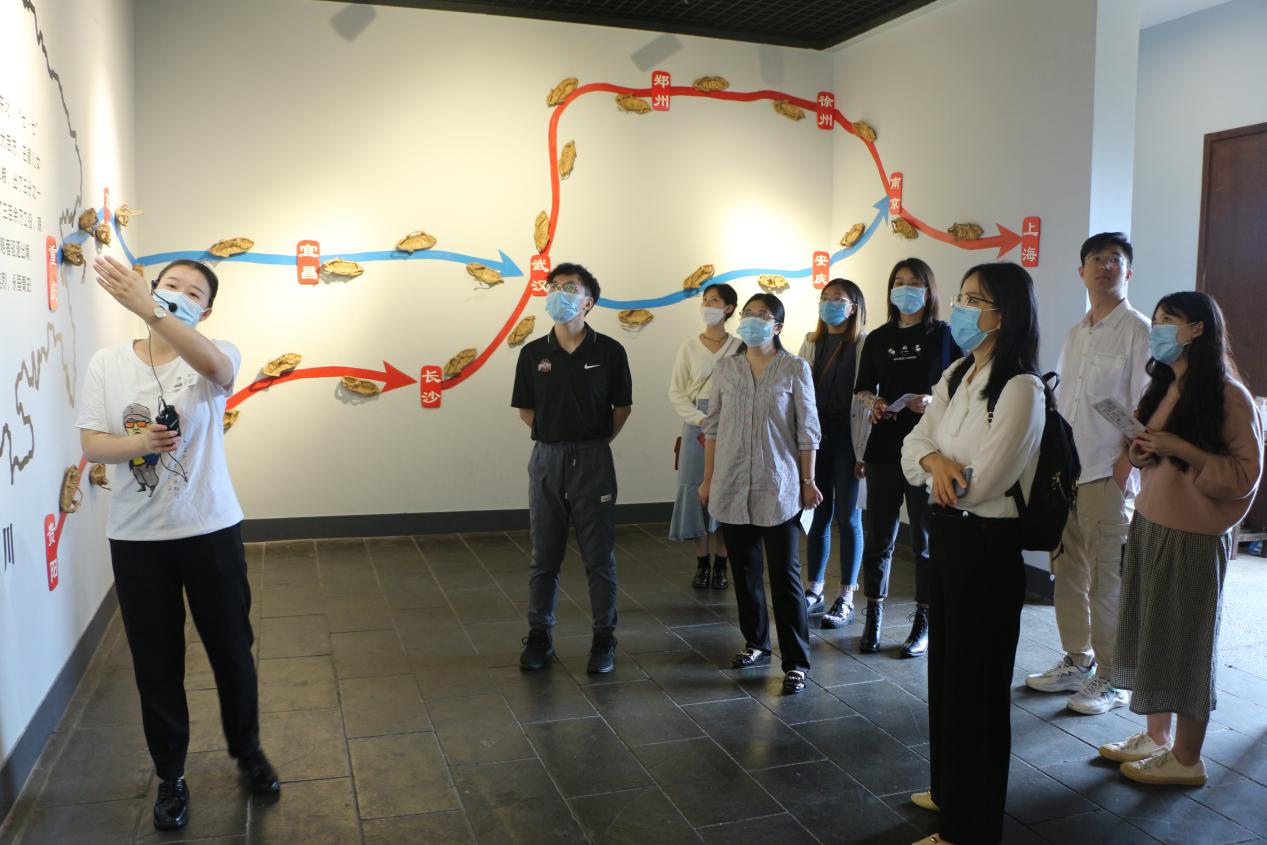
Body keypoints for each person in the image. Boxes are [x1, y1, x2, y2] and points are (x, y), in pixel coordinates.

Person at [77, 256, 280, 832]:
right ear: (151, 286)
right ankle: (171, 776)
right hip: (137, 538)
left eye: (194, 294)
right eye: (170, 286)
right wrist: (140, 444)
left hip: (210, 527)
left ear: (206, 312)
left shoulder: (215, 352)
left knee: (231, 649)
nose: (179, 295)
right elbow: (93, 444)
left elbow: (217, 368)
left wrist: (152, 310)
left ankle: (249, 753)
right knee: (156, 662)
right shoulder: (107, 364)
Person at [901, 262, 1044, 845]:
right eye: (959, 297)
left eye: (973, 300)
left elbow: (986, 482)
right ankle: (949, 791)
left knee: (978, 689)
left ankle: (971, 827)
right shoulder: (958, 372)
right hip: (949, 537)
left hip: (987, 546)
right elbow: (913, 446)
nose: (960, 309)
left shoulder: (1022, 387)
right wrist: (936, 461)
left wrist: (941, 471)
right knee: (947, 675)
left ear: (1003, 315)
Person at [1099, 291, 1262, 786]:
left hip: (1193, 538)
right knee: (1154, 636)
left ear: (1197, 330)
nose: (1158, 330)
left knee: (1188, 646)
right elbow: (1141, 453)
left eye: (1168, 320)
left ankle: (1188, 760)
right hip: (1152, 526)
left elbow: (1245, 475)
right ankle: (1157, 737)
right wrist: (1142, 453)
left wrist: (1180, 448)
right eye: (1156, 320)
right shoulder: (1165, 385)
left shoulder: (1228, 396)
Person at [1025, 233, 1150, 714]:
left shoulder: (1137, 330)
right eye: (1096, 259)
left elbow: (1145, 406)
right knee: (1067, 574)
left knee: (1107, 581)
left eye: (1115, 259)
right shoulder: (1077, 332)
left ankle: (1114, 678)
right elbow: (1062, 401)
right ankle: (1078, 660)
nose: (1105, 266)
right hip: (1068, 475)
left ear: (1128, 272)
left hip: (1107, 476)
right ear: (1081, 271)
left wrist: (1124, 467)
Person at [512, 263, 633, 675]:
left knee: (599, 555)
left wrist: (592, 443)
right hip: (547, 459)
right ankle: (540, 635)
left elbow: (622, 407)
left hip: (593, 460)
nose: (558, 293)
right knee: (544, 554)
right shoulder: (533, 353)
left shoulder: (610, 351)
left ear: (588, 302)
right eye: (554, 287)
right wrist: (557, 440)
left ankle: (604, 638)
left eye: (569, 288)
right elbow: (526, 410)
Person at [700, 293, 822, 694]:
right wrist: (708, 479)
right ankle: (755, 642)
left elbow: (808, 431)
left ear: (777, 326)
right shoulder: (726, 368)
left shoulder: (795, 368)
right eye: (748, 314)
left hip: (779, 486)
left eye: (762, 315)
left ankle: (796, 661)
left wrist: (808, 481)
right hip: (732, 483)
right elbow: (712, 428)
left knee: (785, 576)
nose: (752, 320)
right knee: (744, 571)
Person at [853, 258, 960, 656]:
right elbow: (862, 388)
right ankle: (873, 615)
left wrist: (932, 400)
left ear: (928, 290)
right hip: (884, 447)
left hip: (930, 449)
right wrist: (876, 402)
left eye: (914, 282)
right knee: (879, 537)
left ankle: (923, 622)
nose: (905, 288)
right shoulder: (878, 338)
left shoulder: (944, 335)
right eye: (898, 281)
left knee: (924, 541)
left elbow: (962, 387)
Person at [796, 278, 867, 627]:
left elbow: (869, 394)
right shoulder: (812, 342)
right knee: (818, 514)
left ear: (853, 307)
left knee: (849, 517)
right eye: (825, 298)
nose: (829, 303)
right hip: (816, 440)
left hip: (850, 441)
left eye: (838, 298)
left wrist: (865, 452)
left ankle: (847, 595)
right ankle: (815, 589)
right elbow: (798, 389)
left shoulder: (864, 343)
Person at [668, 283, 741, 589]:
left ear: (728, 308)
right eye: (705, 300)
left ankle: (722, 563)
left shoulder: (739, 346)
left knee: (727, 491)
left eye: (714, 300)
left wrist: (726, 421)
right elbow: (676, 392)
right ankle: (702, 563)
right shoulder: (689, 346)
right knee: (695, 490)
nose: (707, 305)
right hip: (696, 424)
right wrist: (701, 419)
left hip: (732, 425)